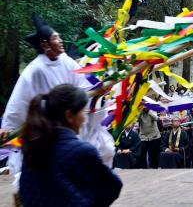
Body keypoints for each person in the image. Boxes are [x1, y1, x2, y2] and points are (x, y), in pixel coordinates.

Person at [1, 15, 114, 172]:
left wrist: (97, 91)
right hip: (48, 126)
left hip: (70, 121)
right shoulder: (34, 70)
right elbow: (19, 101)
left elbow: (83, 87)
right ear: (45, 45)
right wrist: (8, 126)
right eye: (56, 38)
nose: (60, 40)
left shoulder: (66, 61)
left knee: (103, 149)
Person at [19, 84, 122, 206]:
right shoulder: (82, 151)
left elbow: (25, 192)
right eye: (82, 112)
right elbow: (112, 186)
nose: (84, 118)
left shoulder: (32, 149)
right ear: (69, 116)